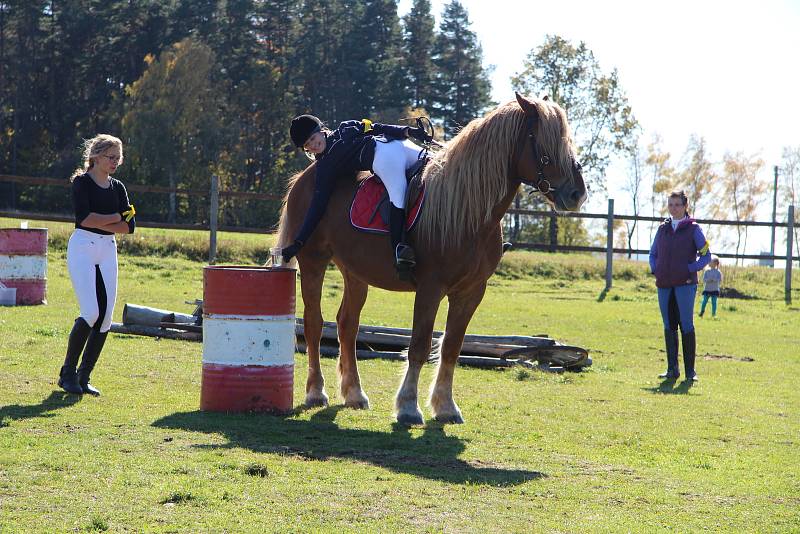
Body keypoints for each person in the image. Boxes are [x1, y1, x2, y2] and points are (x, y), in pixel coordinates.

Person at [282, 114, 430, 279]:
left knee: (438, 166)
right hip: (383, 158)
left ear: (321, 131)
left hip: (399, 144)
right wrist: (299, 242)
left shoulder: (347, 126)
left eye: (312, 138)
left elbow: (377, 127)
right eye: (307, 145)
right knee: (398, 195)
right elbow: (318, 204)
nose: (312, 145)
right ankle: (399, 249)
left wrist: (409, 131)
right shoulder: (325, 166)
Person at [58, 134, 136, 396]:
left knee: (105, 318)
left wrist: (107, 220)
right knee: (90, 312)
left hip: (107, 248)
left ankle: (83, 376)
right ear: (95, 157)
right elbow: (84, 219)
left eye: (118, 157)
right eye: (110, 157)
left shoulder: (118, 188)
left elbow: (129, 227)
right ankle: (66, 373)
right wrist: (114, 217)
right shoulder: (82, 182)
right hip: (83, 247)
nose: (115, 162)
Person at [649, 190, 711, 381]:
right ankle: (672, 370)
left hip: (685, 284)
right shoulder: (662, 229)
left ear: (685, 206)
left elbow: (706, 255)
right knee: (669, 325)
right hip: (664, 284)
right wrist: (656, 269)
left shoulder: (694, 229)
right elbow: (653, 254)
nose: (673, 208)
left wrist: (689, 269)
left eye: (677, 204)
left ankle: (690, 372)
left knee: (686, 325)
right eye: (670, 204)